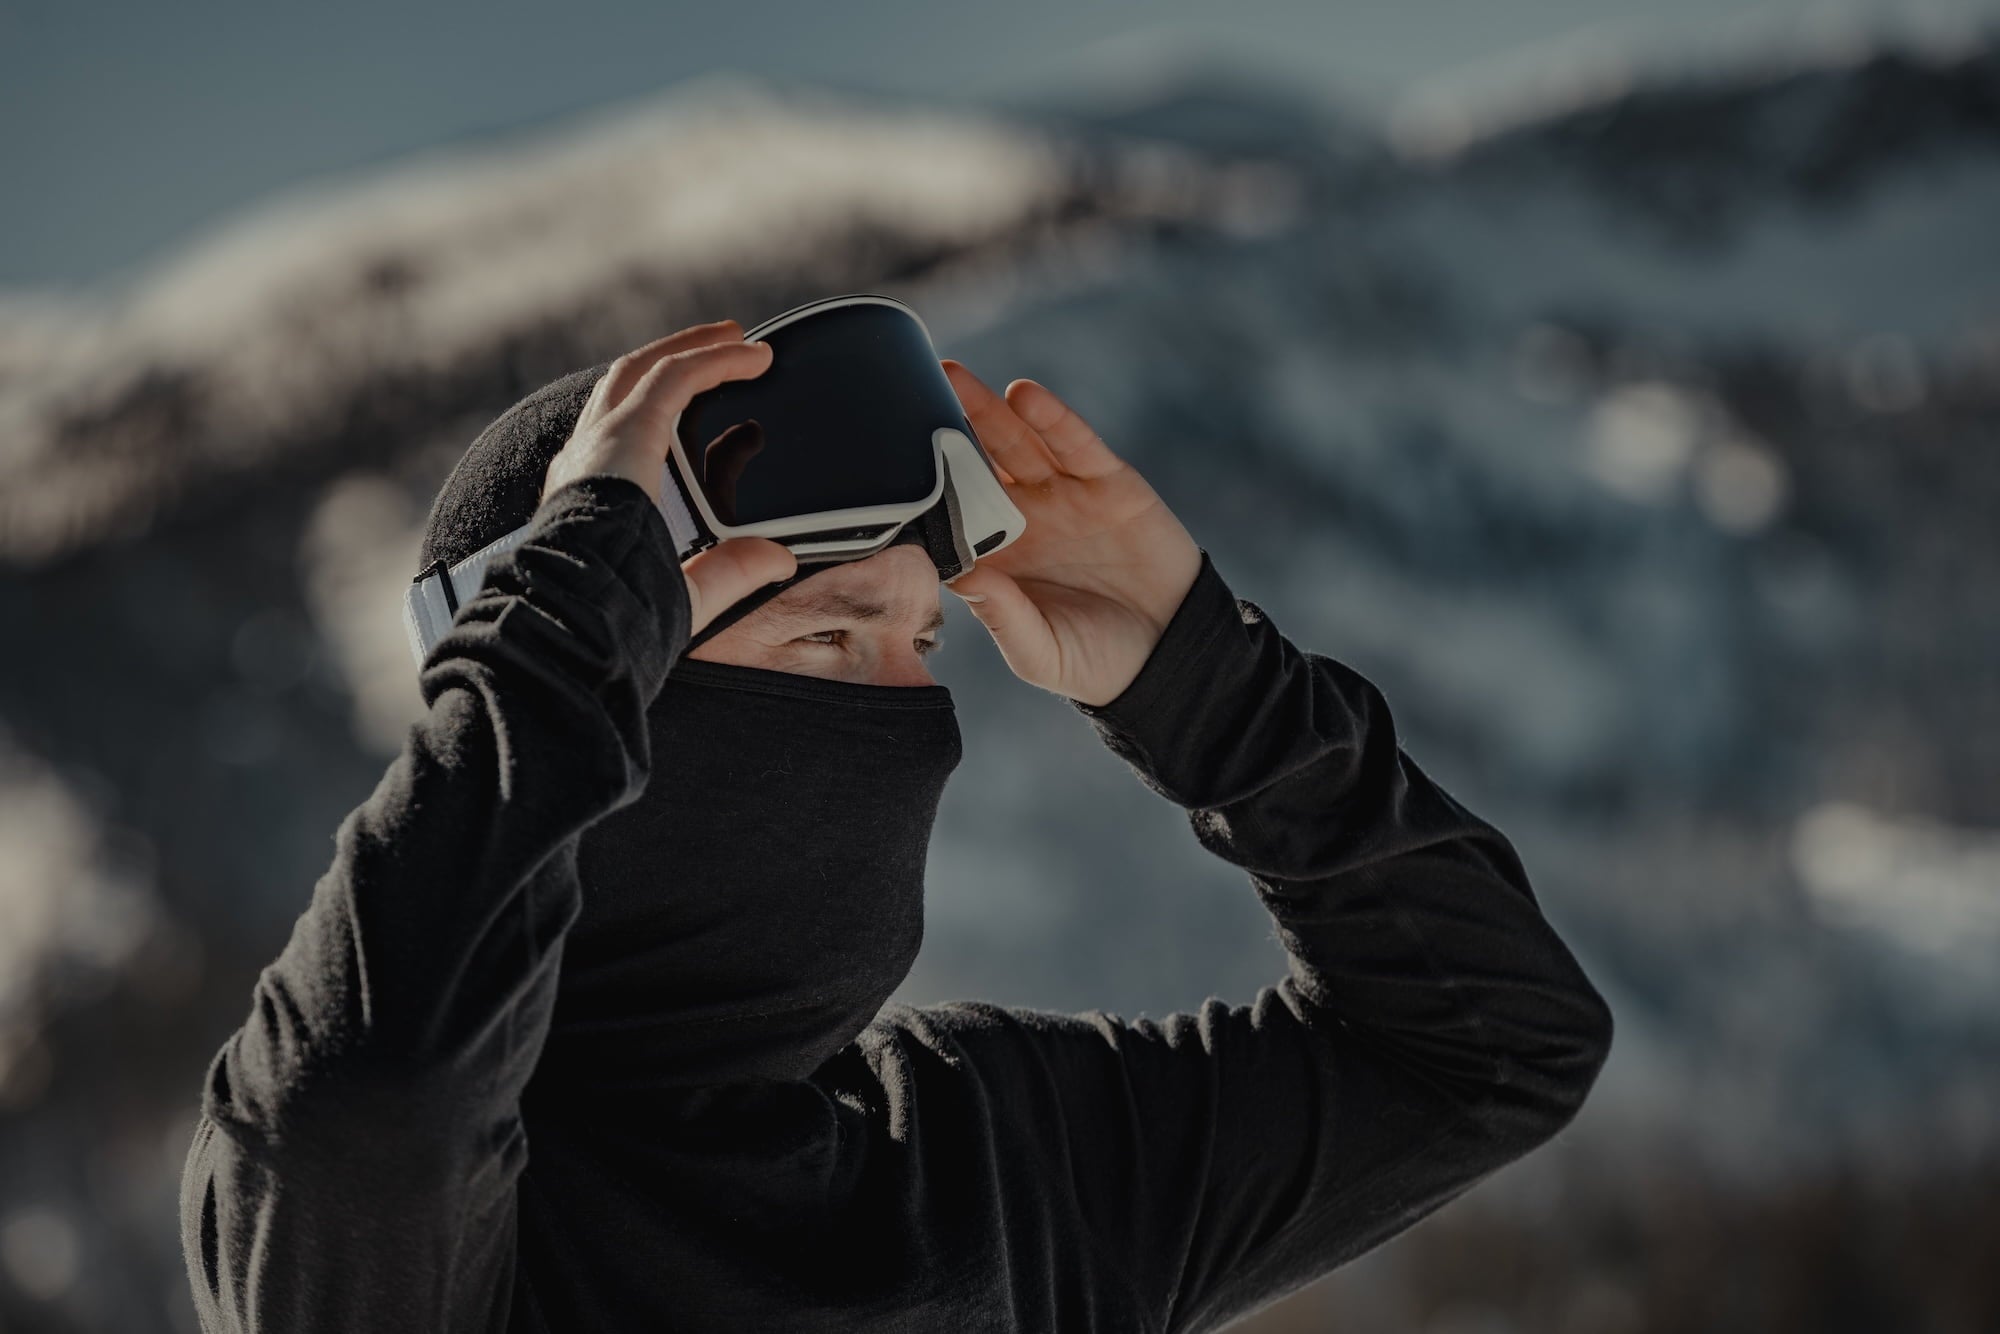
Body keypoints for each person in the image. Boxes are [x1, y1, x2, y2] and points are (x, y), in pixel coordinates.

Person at [179, 319, 1613, 1332]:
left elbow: (1491, 1047)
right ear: (602, 700)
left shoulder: (994, 1150)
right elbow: (370, 1102)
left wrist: (1201, 675)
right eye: (825, 642)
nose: (902, 710)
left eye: (923, 640)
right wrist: (560, 614)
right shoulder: (441, 1249)